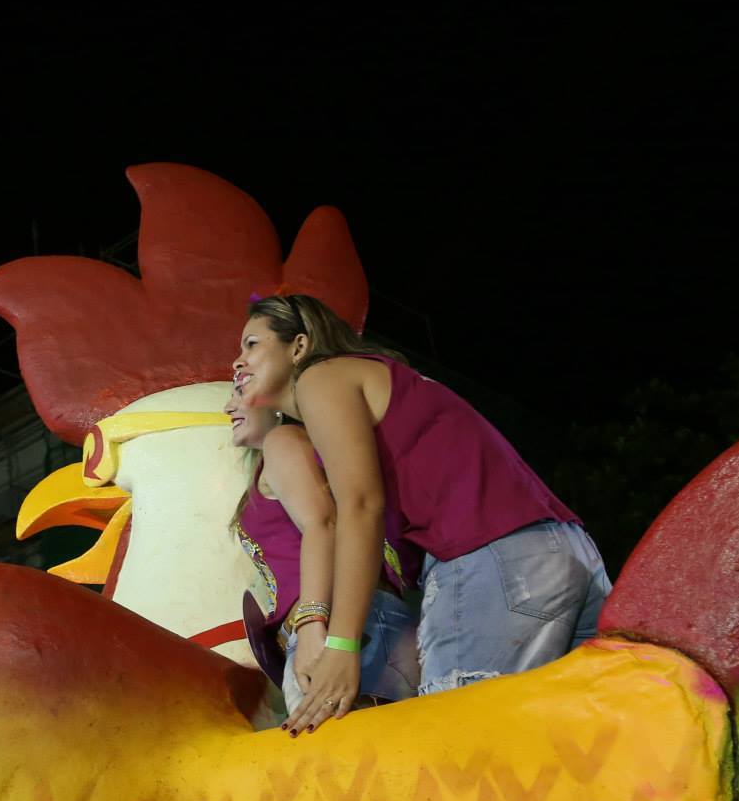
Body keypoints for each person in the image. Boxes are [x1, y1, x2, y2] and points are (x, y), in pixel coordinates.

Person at [235, 294, 611, 728]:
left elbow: (361, 505)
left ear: (298, 346)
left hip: (493, 559)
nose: (237, 361)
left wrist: (340, 644)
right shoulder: (381, 380)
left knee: (453, 743)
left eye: (251, 344)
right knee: (564, 747)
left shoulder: (322, 378)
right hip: (567, 552)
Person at [225, 385, 419, 719]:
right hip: (368, 622)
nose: (229, 407)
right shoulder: (293, 454)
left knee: (346, 762)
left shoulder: (285, 440)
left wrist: (312, 622)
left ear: (276, 401)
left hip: (335, 624)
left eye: (239, 391)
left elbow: (323, 525)